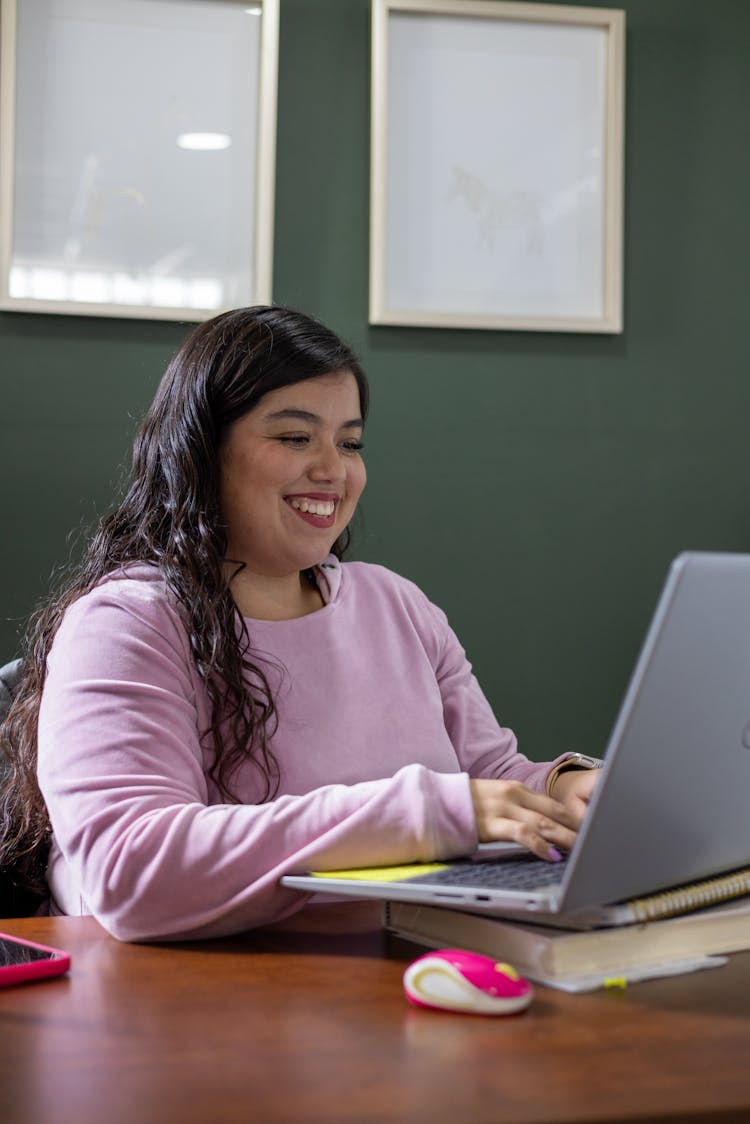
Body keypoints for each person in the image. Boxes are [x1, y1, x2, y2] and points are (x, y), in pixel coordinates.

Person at [0, 306, 599, 941]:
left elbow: (489, 782)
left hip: (400, 974)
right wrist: (419, 815)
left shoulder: (397, 605)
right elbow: (128, 871)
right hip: (182, 1008)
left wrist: (564, 789)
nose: (333, 470)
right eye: (294, 438)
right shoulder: (127, 623)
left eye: (350, 442)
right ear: (203, 450)